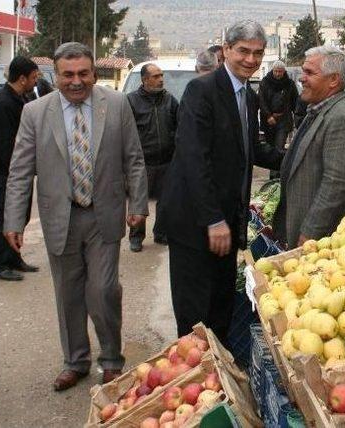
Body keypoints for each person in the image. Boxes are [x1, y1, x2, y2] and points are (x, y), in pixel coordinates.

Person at [3, 42, 148, 391]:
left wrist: (139, 205)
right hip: (60, 218)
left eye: (83, 73)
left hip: (103, 216)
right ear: (56, 76)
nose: (76, 81)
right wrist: (13, 220)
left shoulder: (115, 105)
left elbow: (134, 158)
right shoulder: (36, 113)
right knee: (68, 294)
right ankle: (76, 361)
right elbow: (20, 171)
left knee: (103, 291)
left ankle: (112, 359)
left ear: (94, 74)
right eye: (68, 75)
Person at [160, 20, 283, 343]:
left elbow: (251, 149)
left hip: (227, 219)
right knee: (194, 312)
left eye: (258, 53)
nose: (251, 60)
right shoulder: (202, 91)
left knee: (220, 304)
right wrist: (213, 218)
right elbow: (193, 158)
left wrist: (294, 157)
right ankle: (196, 375)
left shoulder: (248, 95)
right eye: (243, 51)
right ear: (226, 50)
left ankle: (220, 376)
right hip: (195, 220)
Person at [273, 46, 345, 249]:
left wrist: (310, 232)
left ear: (333, 80)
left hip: (323, 242)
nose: (301, 78)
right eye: (303, 71)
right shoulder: (317, 109)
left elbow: (336, 182)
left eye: (309, 73)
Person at [0, 56, 40, 281]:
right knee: (6, 216)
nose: (36, 82)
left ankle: (13, 257)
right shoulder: (3, 103)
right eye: (34, 78)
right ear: (22, 78)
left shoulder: (18, 98)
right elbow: (6, 145)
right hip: (7, 173)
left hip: (19, 172)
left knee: (20, 215)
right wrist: (20, 171)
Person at [126, 63, 179, 251]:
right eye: (156, 76)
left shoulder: (170, 100)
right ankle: (136, 237)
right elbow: (125, 133)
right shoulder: (131, 101)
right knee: (138, 201)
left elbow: (179, 127)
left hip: (166, 161)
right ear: (145, 79)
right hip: (142, 163)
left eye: (161, 75)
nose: (161, 79)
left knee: (165, 202)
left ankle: (161, 233)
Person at [258, 60, 298, 178]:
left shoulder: (289, 84)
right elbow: (261, 100)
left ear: (284, 71)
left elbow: (295, 101)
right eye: (276, 71)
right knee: (270, 148)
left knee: (279, 147)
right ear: (272, 70)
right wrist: (268, 115)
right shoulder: (265, 82)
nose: (278, 74)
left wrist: (297, 117)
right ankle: (274, 175)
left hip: (284, 120)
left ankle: (277, 176)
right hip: (269, 121)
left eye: (280, 71)